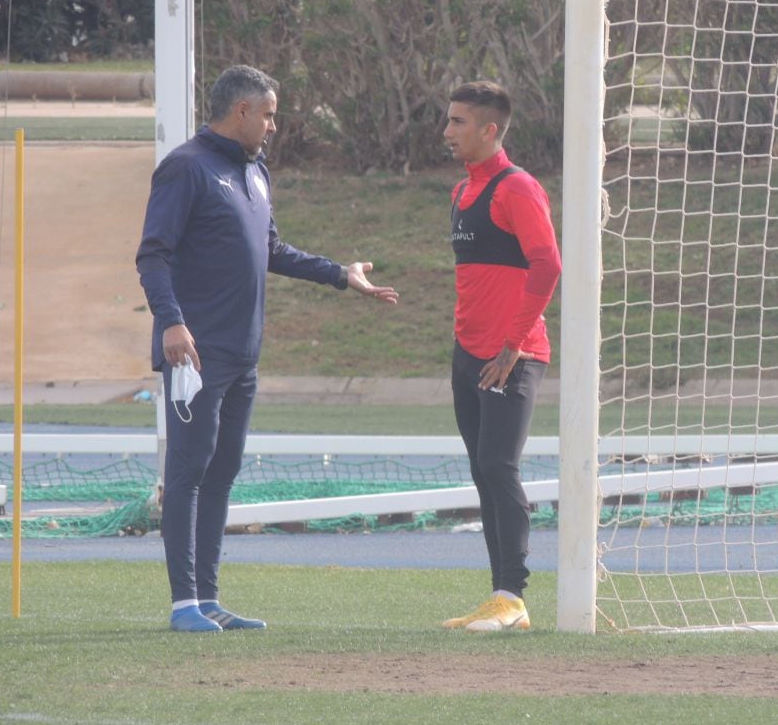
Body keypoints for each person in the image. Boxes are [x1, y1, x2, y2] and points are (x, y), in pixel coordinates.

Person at [136, 65, 398, 632]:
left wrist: (338, 274)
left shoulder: (255, 171)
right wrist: (172, 323)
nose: (275, 125)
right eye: (271, 114)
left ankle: (208, 599)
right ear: (242, 112)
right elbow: (152, 255)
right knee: (188, 471)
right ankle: (183, 604)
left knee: (223, 470)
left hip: (242, 357)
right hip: (195, 354)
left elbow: (271, 248)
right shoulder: (186, 168)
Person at [440, 81, 562, 633]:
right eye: (448, 120)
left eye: (459, 122)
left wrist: (513, 343)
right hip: (468, 355)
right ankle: (498, 597)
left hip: (512, 355)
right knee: (481, 471)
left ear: (490, 130)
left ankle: (513, 597)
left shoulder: (518, 188)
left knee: (498, 466)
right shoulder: (462, 193)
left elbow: (547, 265)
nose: (448, 132)